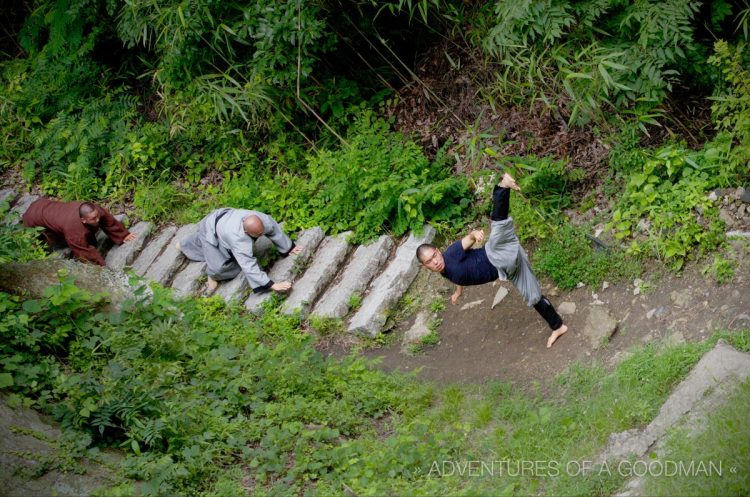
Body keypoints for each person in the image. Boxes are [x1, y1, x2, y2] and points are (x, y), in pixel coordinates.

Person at [417, 173, 568, 348]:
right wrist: (458, 292)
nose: (435, 261)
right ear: (425, 266)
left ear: (437, 251)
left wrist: (475, 234)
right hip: (508, 269)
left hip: (496, 255)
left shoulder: (450, 253)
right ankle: (558, 326)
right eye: (429, 261)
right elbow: (455, 276)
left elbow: (469, 238)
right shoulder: (444, 270)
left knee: (498, 227)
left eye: (434, 256)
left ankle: (504, 185)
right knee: (533, 297)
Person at [178, 208, 302, 294]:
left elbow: (273, 229)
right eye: (256, 235)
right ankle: (188, 247)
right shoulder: (238, 238)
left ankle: (189, 243)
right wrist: (273, 285)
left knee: (228, 251)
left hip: (223, 217)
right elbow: (248, 265)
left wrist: (289, 247)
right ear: (246, 232)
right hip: (209, 226)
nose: (260, 236)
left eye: (261, 233)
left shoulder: (262, 219)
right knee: (220, 267)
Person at [22, 198, 136, 266]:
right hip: (33, 218)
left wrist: (123, 235)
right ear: (83, 220)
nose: (97, 220)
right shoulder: (74, 229)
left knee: (72, 229)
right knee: (43, 244)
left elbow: (107, 220)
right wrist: (101, 268)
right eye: (93, 219)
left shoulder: (93, 210)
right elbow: (84, 251)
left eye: (97, 216)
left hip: (44, 204)